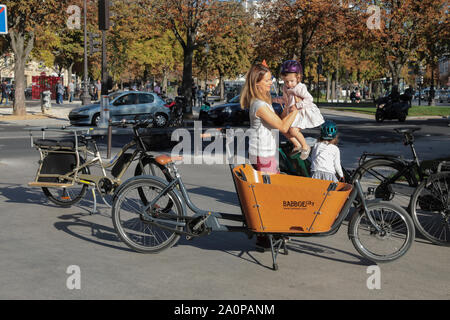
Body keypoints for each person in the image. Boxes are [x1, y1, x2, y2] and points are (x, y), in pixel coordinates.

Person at [240, 62, 299, 250]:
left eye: (271, 78)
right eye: (267, 80)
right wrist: (297, 108)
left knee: (267, 196)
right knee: (269, 198)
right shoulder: (259, 105)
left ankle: (266, 235)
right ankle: (266, 236)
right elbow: (282, 127)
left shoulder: (264, 102)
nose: (271, 82)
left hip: (266, 154)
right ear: (257, 83)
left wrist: (288, 109)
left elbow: (278, 121)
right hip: (263, 156)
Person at [272, 60, 325, 160]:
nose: (289, 84)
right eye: (286, 81)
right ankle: (297, 145)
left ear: (298, 77)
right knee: (284, 129)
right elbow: (285, 99)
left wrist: (297, 105)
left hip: (301, 112)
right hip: (291, 112)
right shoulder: (285, 88)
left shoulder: (300, 88)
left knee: (293, 130)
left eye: (292, 81)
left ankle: (305, 146)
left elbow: (309, 99)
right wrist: (274, 100)